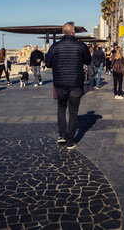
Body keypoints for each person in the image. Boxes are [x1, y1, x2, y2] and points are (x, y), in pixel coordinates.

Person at [45, 21, 91, 150]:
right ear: (73, 32)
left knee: (61, 107)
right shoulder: (81, 46)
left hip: (60, 83)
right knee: (73, 111)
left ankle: (61, 135)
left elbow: (47, 63)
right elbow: (88, 61)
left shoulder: (55, 47)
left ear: (63, 32)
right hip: (76, 83)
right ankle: (70, 141)